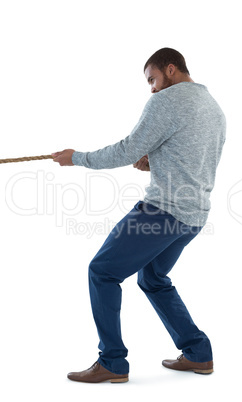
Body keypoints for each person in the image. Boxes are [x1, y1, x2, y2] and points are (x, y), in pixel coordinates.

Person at [52, 47, 226, 383]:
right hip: (193, 217)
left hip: (162, 213)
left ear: (171, 69)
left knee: (102, 272)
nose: (152, 88)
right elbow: (197, 161)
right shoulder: (214, 108)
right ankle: (198, 353)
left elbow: (126, 149)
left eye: (153, 79)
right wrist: (156, 160)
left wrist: (77, 158)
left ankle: (112, 362)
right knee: (153, 279)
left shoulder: (167, 100)